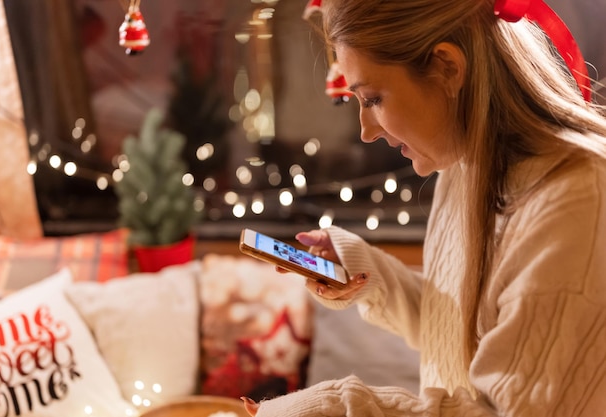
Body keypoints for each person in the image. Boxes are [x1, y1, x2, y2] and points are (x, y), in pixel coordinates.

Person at [242, 0, 606, 415]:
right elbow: (453, 328)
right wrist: (366, 272)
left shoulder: (579, 201)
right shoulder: (465, 166)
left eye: (373, 98)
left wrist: (318, 409)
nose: (365, 130)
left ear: (447, 68)